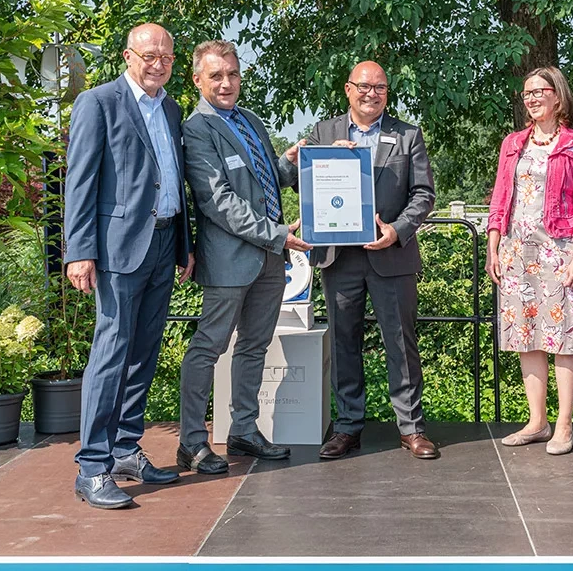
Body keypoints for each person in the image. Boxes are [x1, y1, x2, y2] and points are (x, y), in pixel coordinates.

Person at [64, 23, 194, 509]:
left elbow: (175, 183)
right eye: (149, 54)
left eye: (166, 56)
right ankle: (92, 467)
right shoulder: (98, 103)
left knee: (144, 352)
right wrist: (79, 250)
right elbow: (79, 182)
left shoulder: (172, 108)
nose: (158, 63)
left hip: (164, 245)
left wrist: (185, 244)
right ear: (127, 56)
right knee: (111, 353)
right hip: (118, 251)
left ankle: (123, 448)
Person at [281, 61, 438, 460]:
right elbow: (304, 181)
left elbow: (423, 195)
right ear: (348, 89)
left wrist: (397, 230)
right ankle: (349, 427)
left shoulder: (408, 135)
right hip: (338, 257)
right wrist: (318, 164)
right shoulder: (323, 132)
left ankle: (412, 428)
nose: (372, 93)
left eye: (380, 87)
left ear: (388, 92)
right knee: (343, 342)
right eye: (364, 86)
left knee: (401, 344)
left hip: (391, 256)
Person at [177, 39, 311, 475]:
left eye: (233, 73)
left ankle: (244, 431)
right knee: (208, 348)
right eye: (216, 76)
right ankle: (192, 442)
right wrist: (278, 235)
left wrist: (289, 163)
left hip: (270, 259)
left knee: (254, 347)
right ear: (197, 80)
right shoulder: (196, 129)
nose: (227, 83)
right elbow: (218, 201)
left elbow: (266, 179)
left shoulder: (251, 120)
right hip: (232, 260)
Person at [485, 66, 573, 456]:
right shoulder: (512, 143)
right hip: (517, 248)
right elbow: (499, 198)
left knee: (565, 334)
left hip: (561, 247)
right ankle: (537, 421)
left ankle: (564, 424)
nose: (531, 98)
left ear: (557, 96)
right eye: (527, 93)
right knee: (526, 333)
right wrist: (493, 248)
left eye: (539, 91)